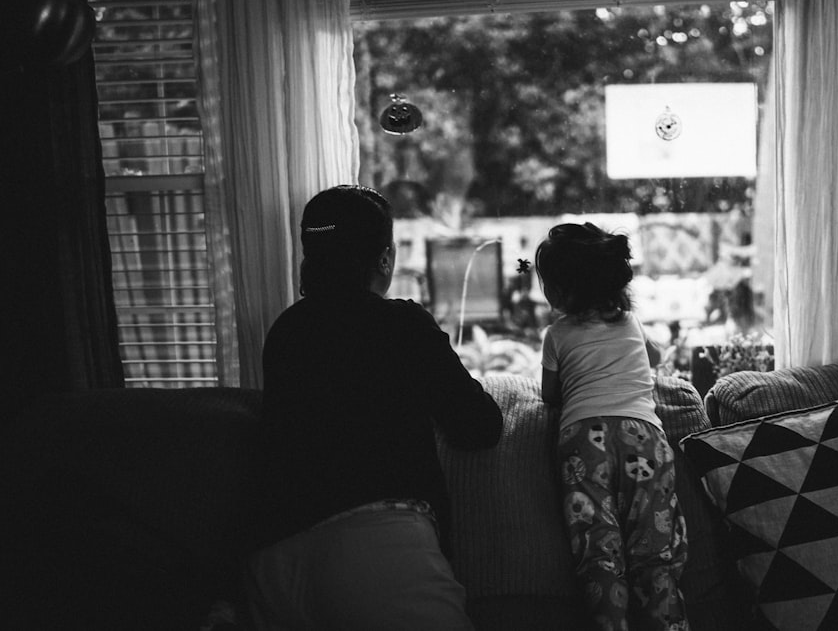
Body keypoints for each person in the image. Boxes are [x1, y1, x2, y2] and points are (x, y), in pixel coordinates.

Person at [244, 185, 503, 630]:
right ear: (385, 259)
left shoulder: (285, 330)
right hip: (376, 551)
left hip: (273, 564)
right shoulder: (401, 323)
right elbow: (477, 426)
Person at [535, 222, 688, 631]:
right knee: (655, 556)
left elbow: (551, 395)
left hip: (584, 441)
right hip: (645, 439)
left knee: (598, 553)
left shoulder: (557, 334)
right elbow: (655, 359)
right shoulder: (631, 324)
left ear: (563, 292)